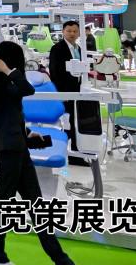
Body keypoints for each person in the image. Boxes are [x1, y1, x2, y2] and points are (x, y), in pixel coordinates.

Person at [0, 41, 75, 265]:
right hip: (8, 151)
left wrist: (28, 132)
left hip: (19, 149)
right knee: (3, 205)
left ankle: (60, 259)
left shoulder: (6, 81)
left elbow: (12, 112)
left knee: (36, 205)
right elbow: (27, 89)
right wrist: (7, 70)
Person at [48, 21, 87, 166]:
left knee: (76, 122)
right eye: (69, 31)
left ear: (79, 33)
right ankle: (72, 155)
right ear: (63, 32)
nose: (72, 33)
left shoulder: (79, 49)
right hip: (65, 93)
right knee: (69, 123)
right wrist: (61, 94)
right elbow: (54, 72)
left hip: (79, 91)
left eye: (75, 31)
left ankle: (75, 153)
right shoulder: (57, 49)